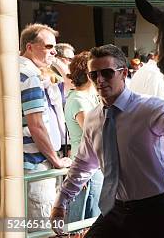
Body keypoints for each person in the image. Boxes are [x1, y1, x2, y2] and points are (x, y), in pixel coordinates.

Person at [51, 45, 164, 237]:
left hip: (155, 209)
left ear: (123, 74)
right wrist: (61, 201)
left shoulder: (150, 109)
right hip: (114, 208)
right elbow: (84, 164)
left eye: (107, 73)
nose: (100, 80)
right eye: (93, 75)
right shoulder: (93, 118)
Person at [19, 24, 72, 229]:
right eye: (49, 46)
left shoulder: (17, 70)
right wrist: (56, 161)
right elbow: (37, 126)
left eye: (56, 48)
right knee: (42, 230)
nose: (53, 52)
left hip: (23, 166)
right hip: (35, 167)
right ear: (30, 47)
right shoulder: (29, 76)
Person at [64, 51, 103, 224]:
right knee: (85, 223)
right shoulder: (79, 99)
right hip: (88, 171)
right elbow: (95, 134)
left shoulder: (88, 98)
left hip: (94, 169)